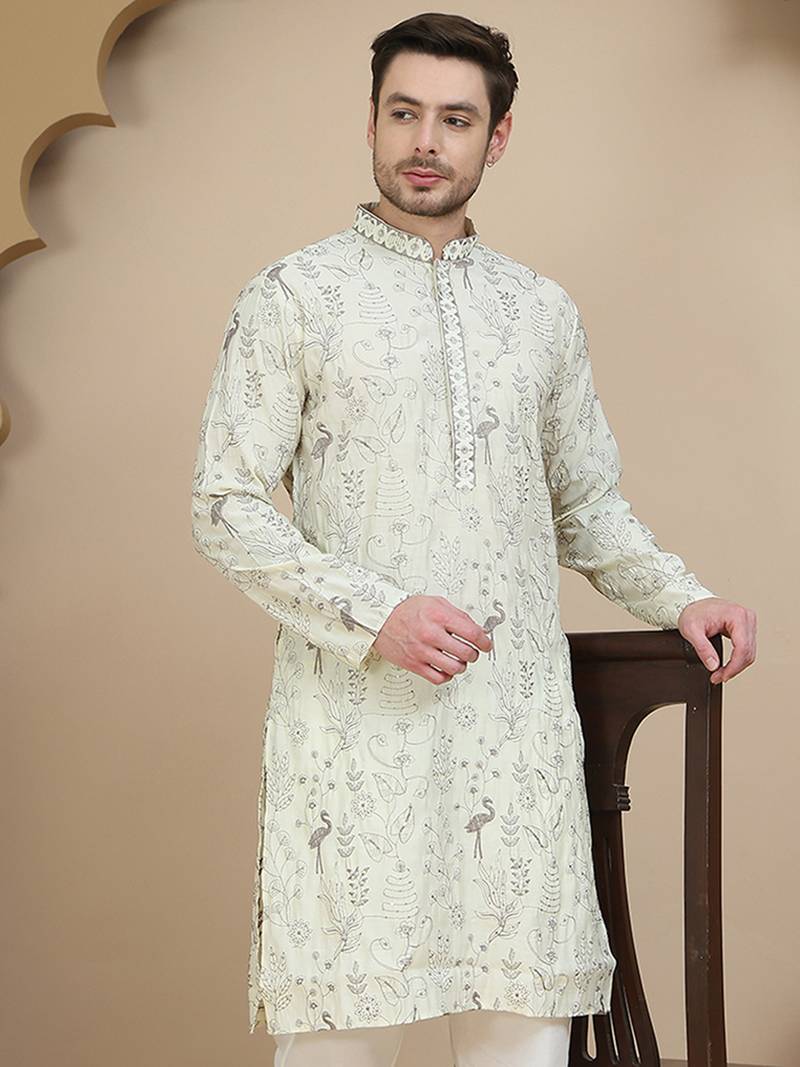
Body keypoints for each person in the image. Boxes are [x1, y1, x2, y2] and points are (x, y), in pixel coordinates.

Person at [190, 12, 756, 1066]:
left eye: (455, 119)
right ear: (369, 121)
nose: (424, 142)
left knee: (522, 1038)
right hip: (352, 734)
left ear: (496, 137)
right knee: (338, 1047)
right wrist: (377, 614)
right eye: (403, 113)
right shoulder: (294, 295)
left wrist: (681, 595)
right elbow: (224, 502)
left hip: (513, 737)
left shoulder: (538, 312)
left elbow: (583, 505)